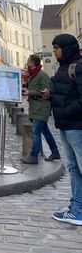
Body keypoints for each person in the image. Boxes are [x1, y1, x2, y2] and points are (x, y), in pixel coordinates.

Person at [43, 34, 82, 226]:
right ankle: (76, 206)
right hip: (65, 125)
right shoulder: (63, 68)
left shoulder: (78, 68)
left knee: (80, 167)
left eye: (57, 47)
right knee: (74, 168)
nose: (54, 51)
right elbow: (65, 94)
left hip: (76, 126)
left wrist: (65, 111)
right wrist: (51, 97)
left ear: (66, 48)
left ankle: (80, 209)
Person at [21, 54, 60, 164]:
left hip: (41, 108)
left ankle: (33, 156)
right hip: (35, 108)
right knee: (45, 132)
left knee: (35, 132)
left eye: (28, 61)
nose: (27, 63)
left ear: (33, 63)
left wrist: (30, 92)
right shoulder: (34, 75)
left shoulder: (42, 75)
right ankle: (55, 152)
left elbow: (45, 92)